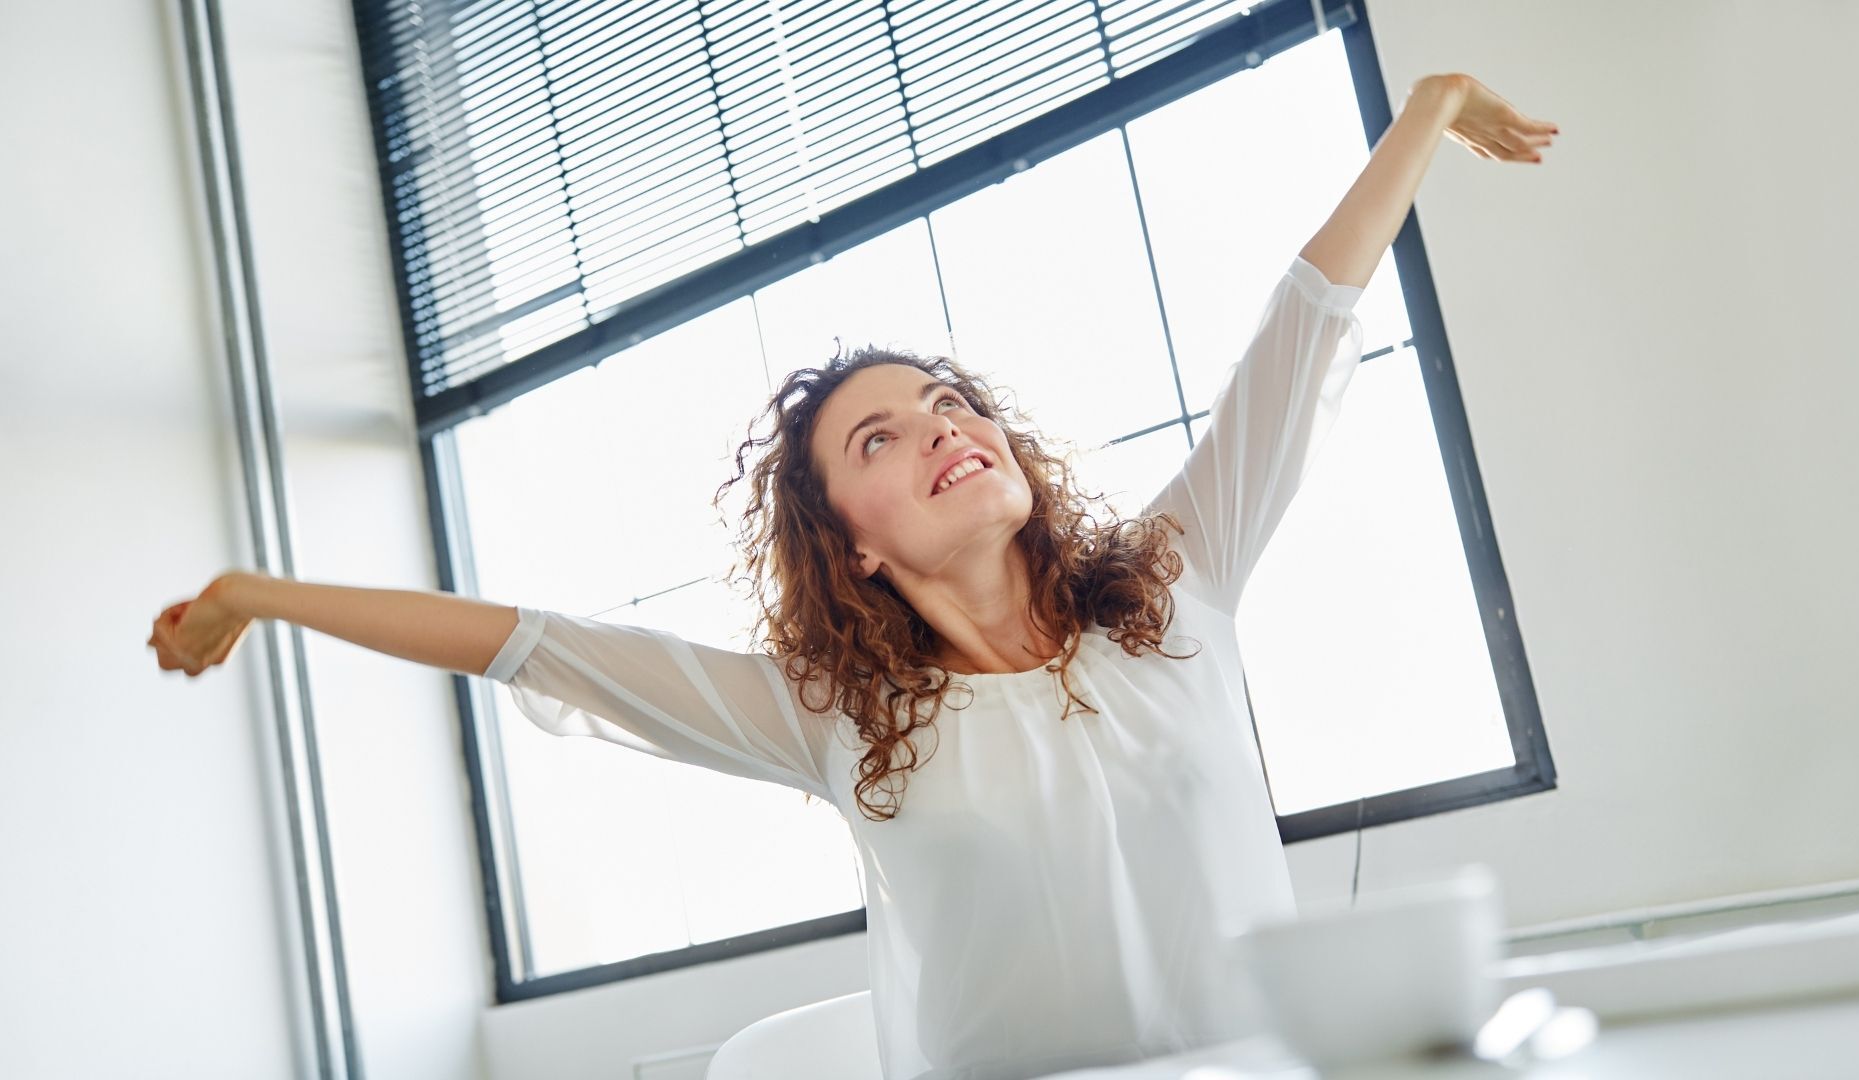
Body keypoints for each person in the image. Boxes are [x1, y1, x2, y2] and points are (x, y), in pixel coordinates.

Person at [150, 72, 1556, 1080]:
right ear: (853, 547)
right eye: (880, 436)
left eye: (950, 401)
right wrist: (259, 597)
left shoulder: (1172, 593)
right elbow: (528, 641)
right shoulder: (833, 715)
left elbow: (1301, 337)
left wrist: (1425, 111)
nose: (943, 425)